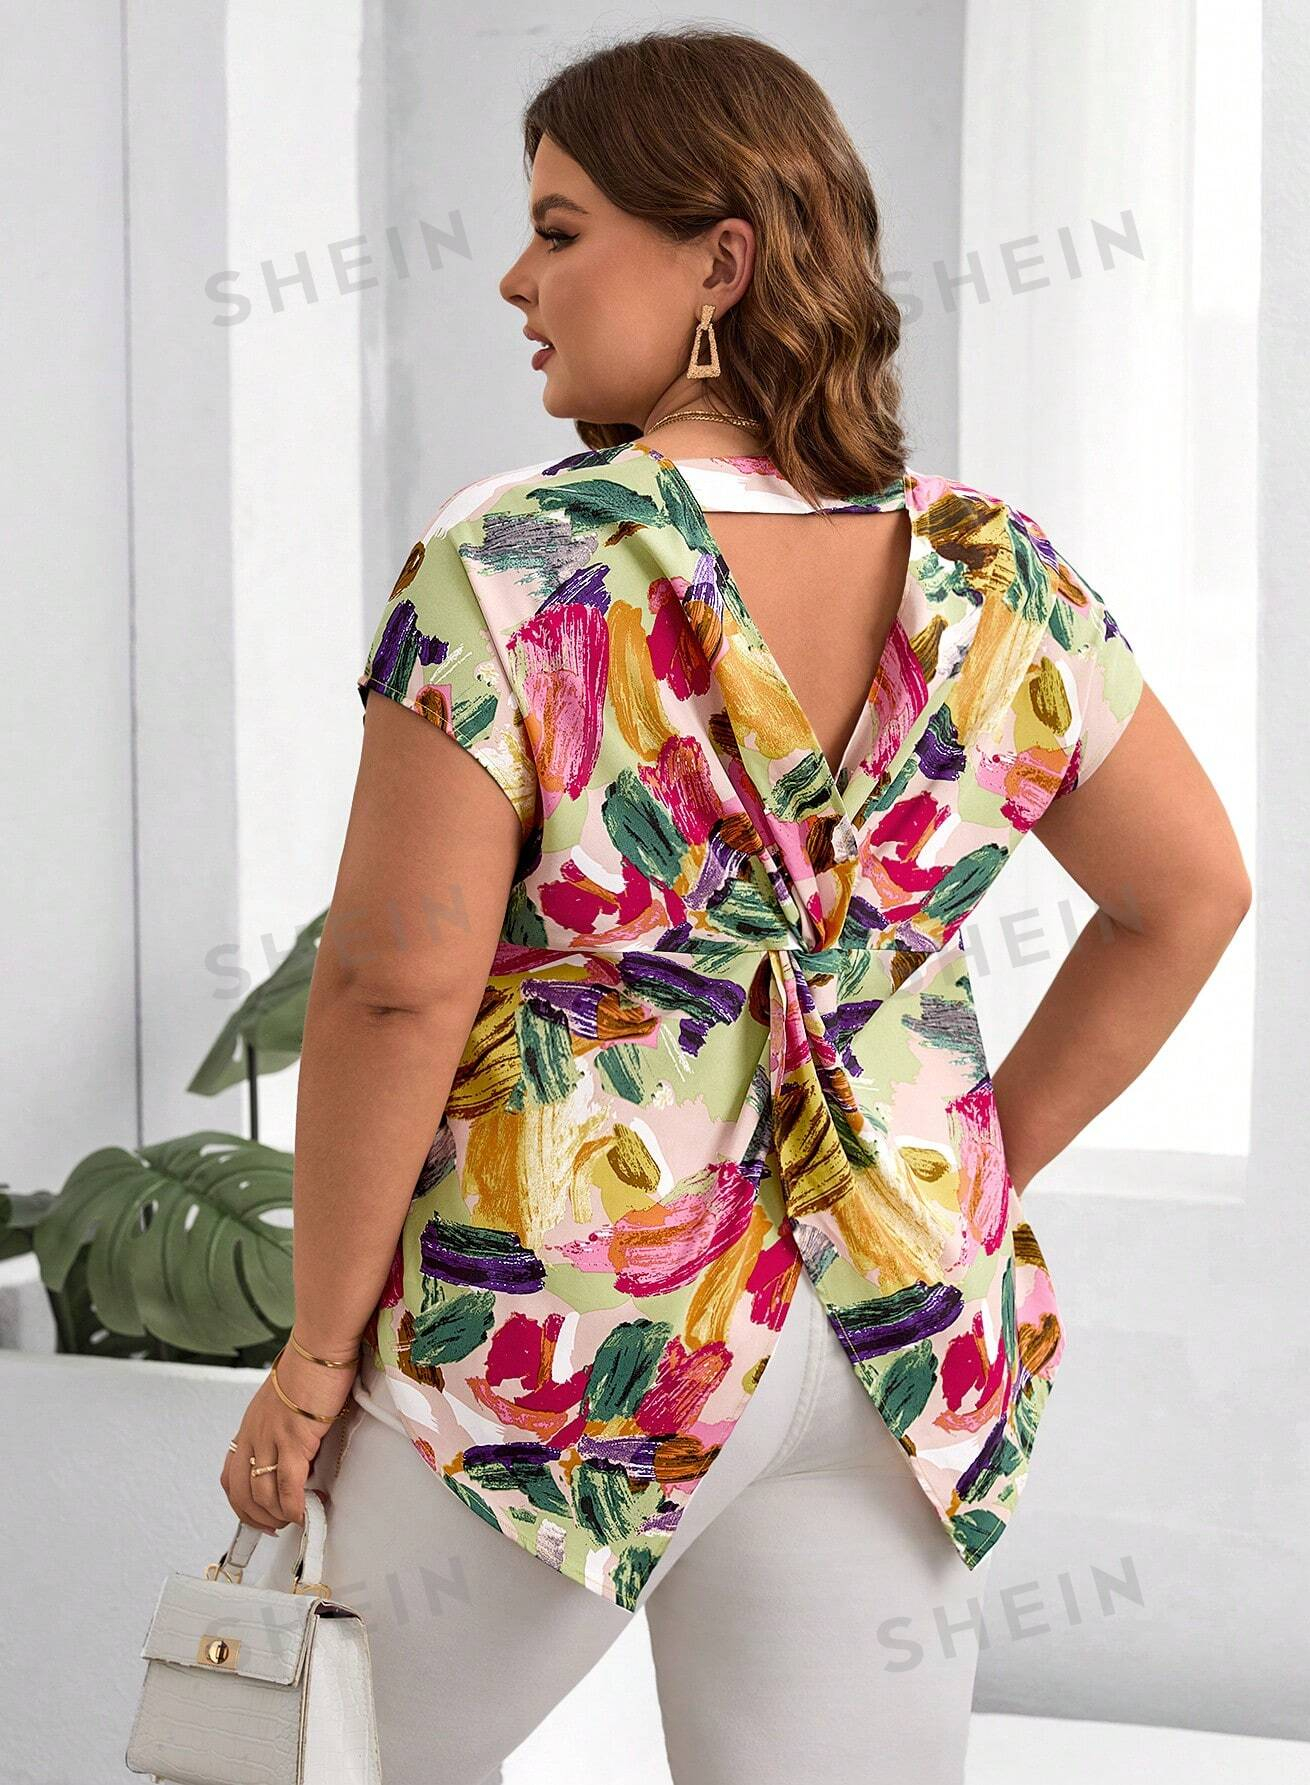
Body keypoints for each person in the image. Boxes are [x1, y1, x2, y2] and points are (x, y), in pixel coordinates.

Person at [220, 25, 1251, 1785]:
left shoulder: (523, 564)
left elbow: (393, 990)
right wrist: (958, 1162)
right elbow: (1194, 892)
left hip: (563, 1331)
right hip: (887, 1337)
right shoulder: (1002, 572)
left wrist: (318, 1355)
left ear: (721, 262)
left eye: (561, 229)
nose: (514, 277)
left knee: (295, 1764)